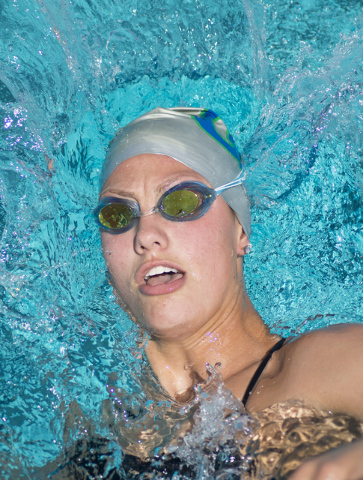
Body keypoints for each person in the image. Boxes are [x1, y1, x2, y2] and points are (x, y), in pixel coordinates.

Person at [94, 107, 363, 479]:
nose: (144, 235)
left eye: (181, 202)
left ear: (240, 231)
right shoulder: (108, 426)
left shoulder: (322, 363)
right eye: (118, 215)